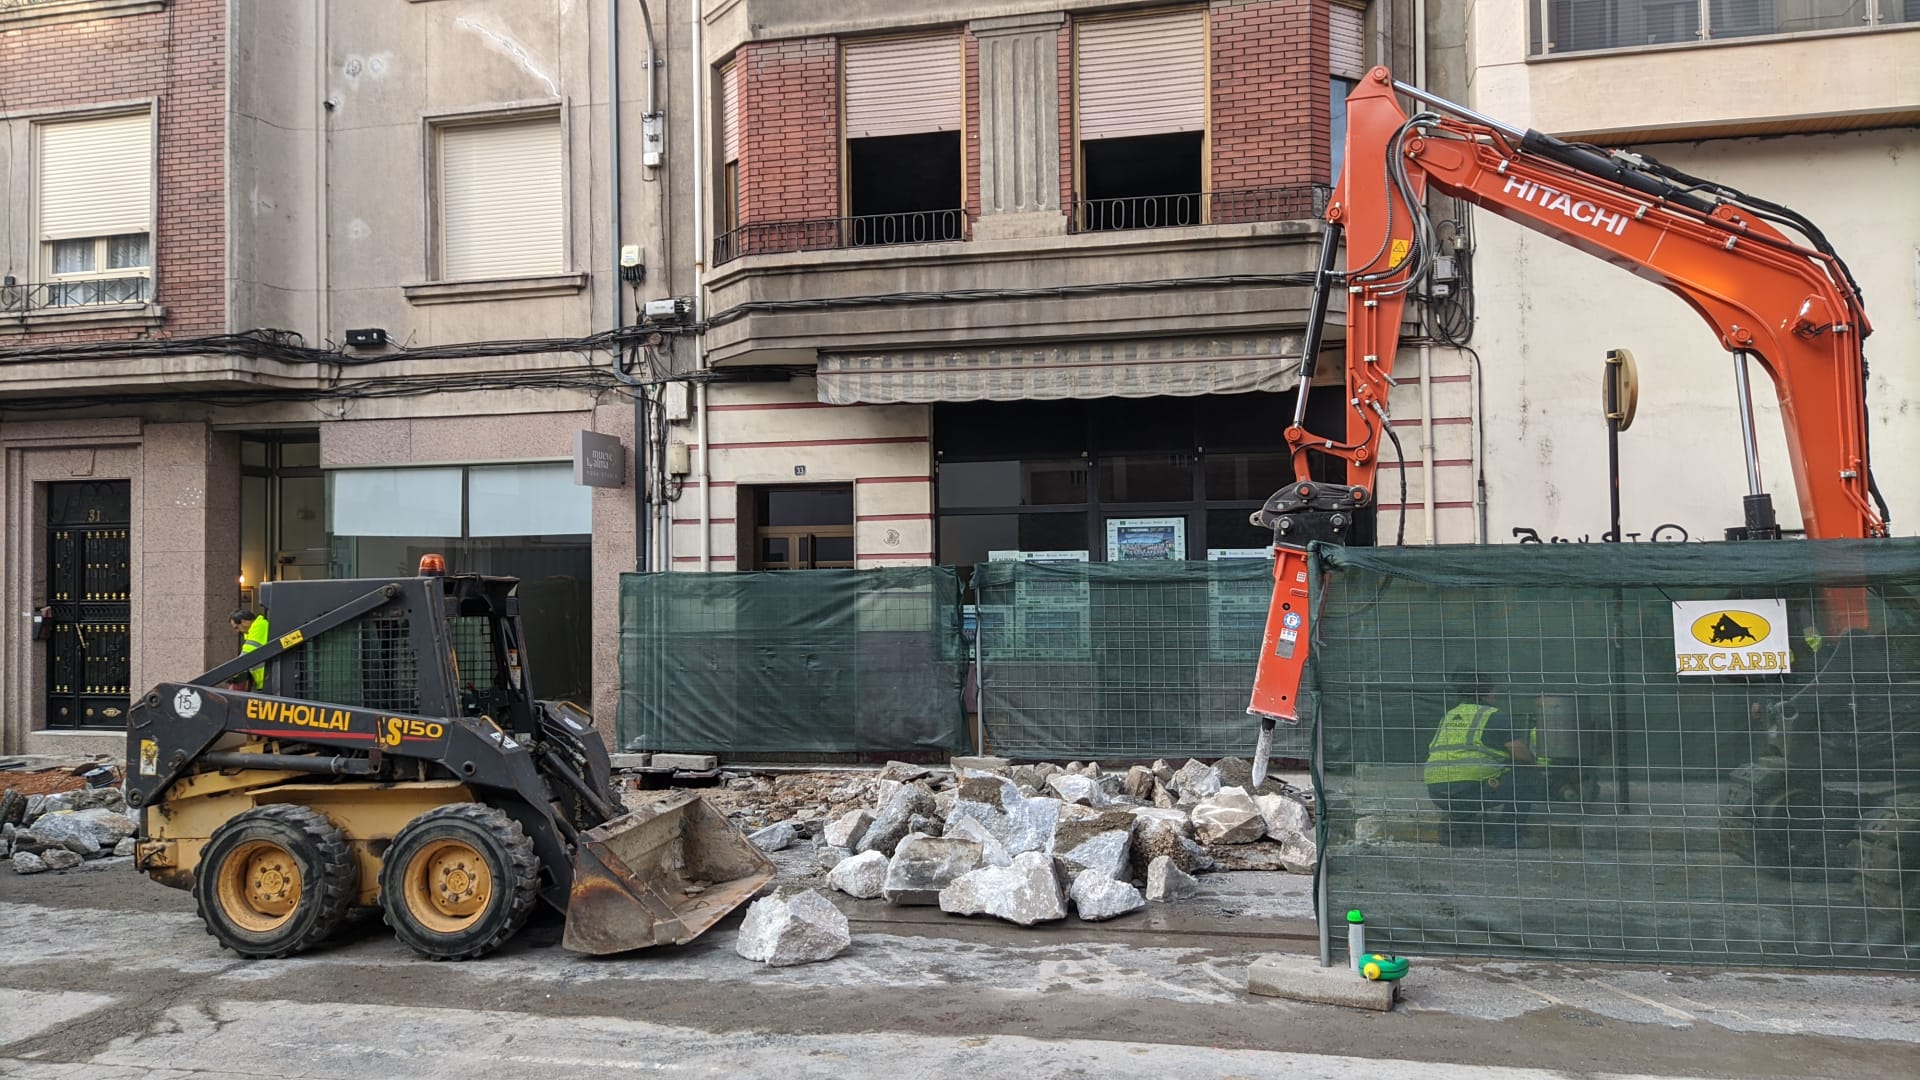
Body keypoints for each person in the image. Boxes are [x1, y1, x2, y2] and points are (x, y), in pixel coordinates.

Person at [1424, 673, 1545, 847]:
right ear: (1485, 692)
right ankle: (1508, 837)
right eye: (1493, 689)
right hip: (1469, 790)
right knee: (1527, 776)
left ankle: (1456, 830)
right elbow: (1520, 753)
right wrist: (1535, 764)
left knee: (1473, 782)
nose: (1495, 693)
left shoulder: (1450, 715)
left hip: (1437, 791)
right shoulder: (1493, 716)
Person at [229, 608, 269, 691]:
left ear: (244, 621)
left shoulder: (260, 625)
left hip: (268, 681)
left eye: (236, 627)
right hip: (264, 682)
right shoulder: (252, 631)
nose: (237, 631)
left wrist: (232, 673)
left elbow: (246, 654)